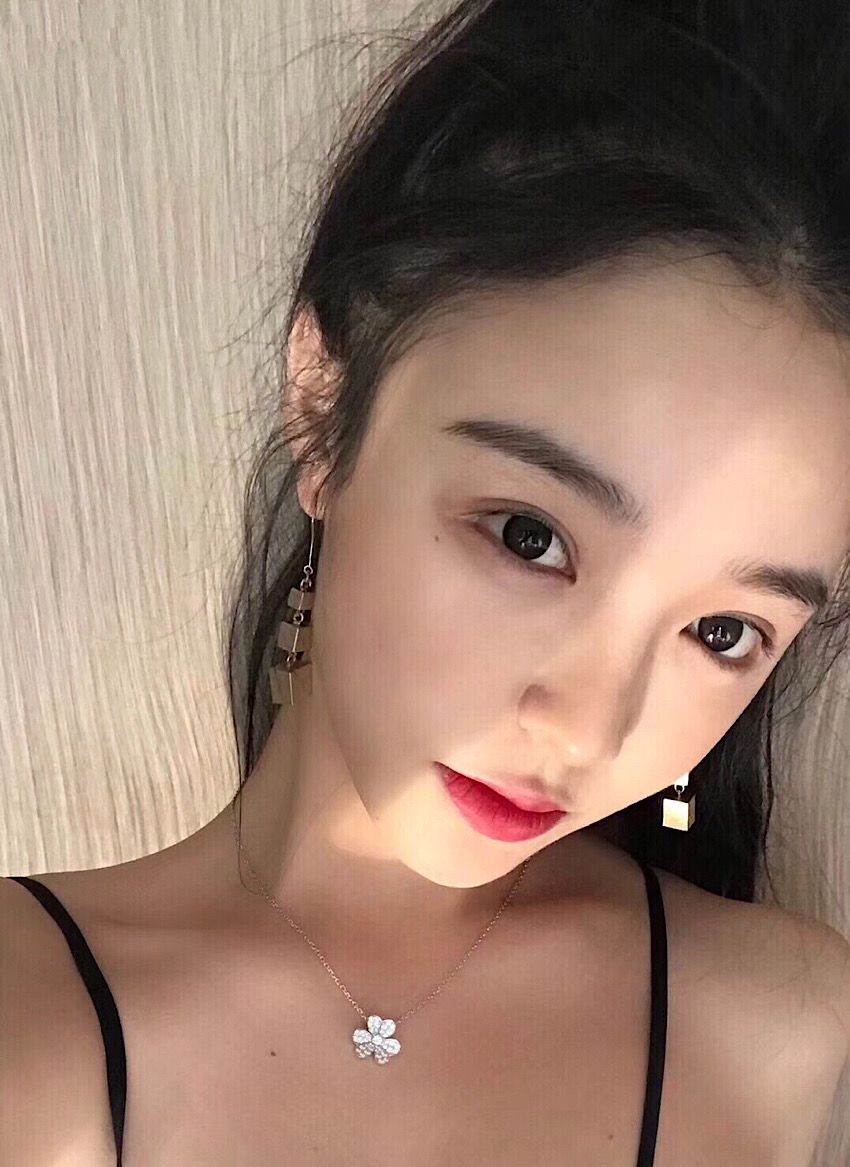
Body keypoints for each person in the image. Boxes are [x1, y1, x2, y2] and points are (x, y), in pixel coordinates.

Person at [3, 0, 850, 1163]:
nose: (586, 726)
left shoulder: (789, 1039)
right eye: (528, 536)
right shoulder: (26, 1017)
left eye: (721, 632)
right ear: (322, 411)